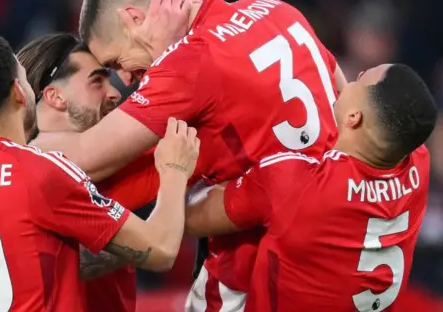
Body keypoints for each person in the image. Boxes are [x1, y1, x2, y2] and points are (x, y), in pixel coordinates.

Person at [31, 0, 347, 309]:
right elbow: (344, 99)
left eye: (115, 61)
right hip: (336, 246)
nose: (125, 78)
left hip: (255, 269)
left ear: (133, 19)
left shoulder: (189, 62)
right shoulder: (274, 9)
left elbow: (75, 161)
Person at [0, 31, 200, 312]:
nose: (114, 92)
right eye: (23, 77)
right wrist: (174, 169)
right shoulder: (41, 171)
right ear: (18, 92)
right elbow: (161, 249)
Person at [184, 63, 438, 311]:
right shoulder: (418, 161)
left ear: (354, 117)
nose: (353, 77)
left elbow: (190, 219)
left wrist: (176, 168)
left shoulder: (295, 181)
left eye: (360, 79)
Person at [20, 33, 159, 312]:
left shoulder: (113, 164)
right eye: (97, 81)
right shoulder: (36, 172)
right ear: (55, 96)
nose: (115, 93)